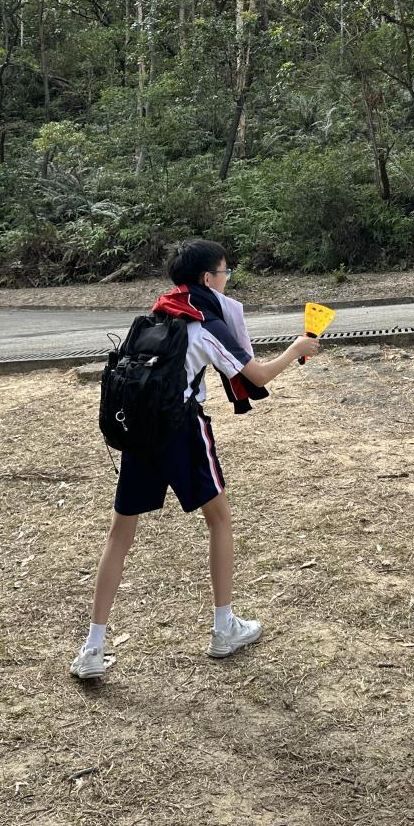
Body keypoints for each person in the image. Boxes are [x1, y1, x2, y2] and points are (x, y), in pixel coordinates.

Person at [70, 239, 321, 680]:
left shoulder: (155, 316)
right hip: (181, 430)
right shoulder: (203, 323)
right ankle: (224, 628)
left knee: (120, 534)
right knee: (219, 520)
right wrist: (296, 349)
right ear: (208, 278)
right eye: (225, 273)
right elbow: (256, 375)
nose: (227, 281)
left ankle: (92, 647)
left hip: (139, 432)